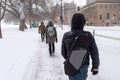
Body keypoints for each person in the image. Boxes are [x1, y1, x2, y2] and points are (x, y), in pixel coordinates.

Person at [61, 13, 100, 80]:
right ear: (83, 23)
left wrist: (71, 59)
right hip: (83, 66)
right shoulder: (88, 36)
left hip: (71, 66)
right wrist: (95, 66)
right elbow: (94, 53)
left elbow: (63, 52)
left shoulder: (66, 36)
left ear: (72, 22)